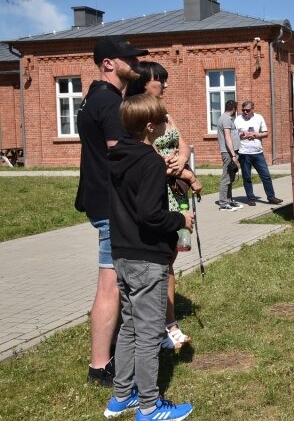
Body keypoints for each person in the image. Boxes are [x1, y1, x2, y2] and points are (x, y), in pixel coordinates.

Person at [104, 94, 194, 420]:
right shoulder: (150, 161)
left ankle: (120, 396)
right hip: (146, 258)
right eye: (159, 122)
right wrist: (181, 220)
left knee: (129, 327)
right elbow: (150, 215)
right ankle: (149, 406)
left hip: (122, 254)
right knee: (148, 333)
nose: (163, 126)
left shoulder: (115, 156)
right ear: (148, 126)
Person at [76, 35, 147, 387]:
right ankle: (100, 366)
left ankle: (105, 359)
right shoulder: (108, 103)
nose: (135, 64)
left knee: (113, 282)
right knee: (110, 285)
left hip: (101, 199)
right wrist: (161, 167)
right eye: (128, 59)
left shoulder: (94, 98)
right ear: (108, 64)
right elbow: (122, 157)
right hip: (111, 203)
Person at [125, 61, 195, 349]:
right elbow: (151, 161)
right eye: (160, 80)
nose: (165, 85)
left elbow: (185, 143)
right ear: (143, 83)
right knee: (160, 264)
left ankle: (169, 322)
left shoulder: (165, 112)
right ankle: (160, 327)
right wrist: (186, 173)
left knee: (169, 263)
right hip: (158, 195)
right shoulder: (138, 116)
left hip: (176, 193)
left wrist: (182, 159)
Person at [235, 100, 283, 206]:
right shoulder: (238, 119)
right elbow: (234, 134)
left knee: (266, 176)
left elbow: (266, 133)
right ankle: (250, 198)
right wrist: (242, 134)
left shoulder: (259, 118)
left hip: (257, 153)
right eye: (243, 110)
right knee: (247, 177)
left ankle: (271, 197)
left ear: (252, 109)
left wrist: (257, 135)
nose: (245, 112)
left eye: (247, 110)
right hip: (244, 153)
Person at [216, 100, 243, 212]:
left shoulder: (225, 118)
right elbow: (227, 137)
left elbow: (230, 134)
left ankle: (229, 200)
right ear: (233, 109)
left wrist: (239, 134)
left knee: (231, 178)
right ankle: (223, 203)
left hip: (230, 152)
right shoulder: (226, 119)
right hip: (228, 153)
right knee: (226, 178)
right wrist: (233, 155)